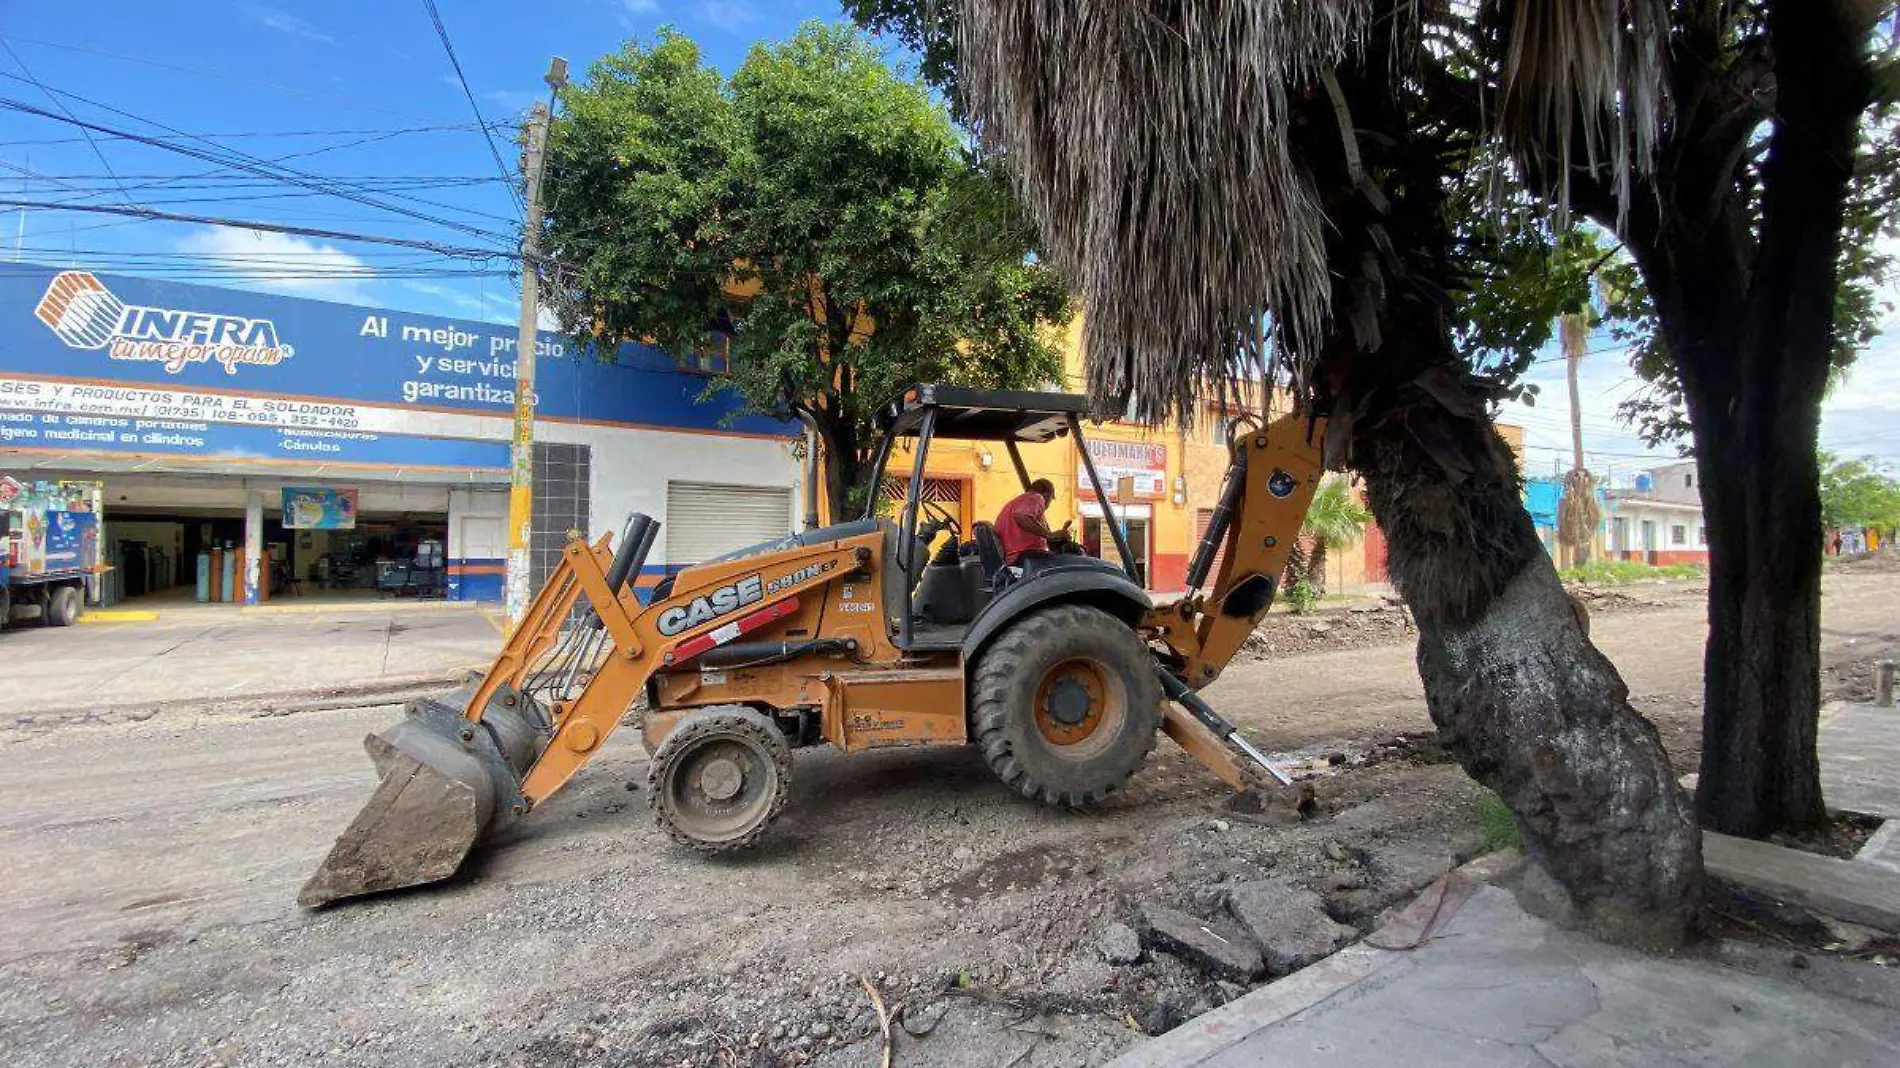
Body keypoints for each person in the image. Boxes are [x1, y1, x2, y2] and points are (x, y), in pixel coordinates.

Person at [996, 478, 1072, 566]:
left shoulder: (1017, 503)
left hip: (1014, 558)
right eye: (1051, 499)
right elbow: (1021, 516)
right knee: (1073, 563)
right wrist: (1050, 535)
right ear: (1047, 495)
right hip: (1024, 556)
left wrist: (1056, 537)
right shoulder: (1036, 497)